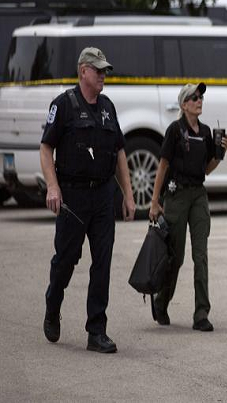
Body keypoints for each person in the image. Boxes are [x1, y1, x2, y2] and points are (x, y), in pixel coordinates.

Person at [40, 47, 136, 353]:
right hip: (73, 197)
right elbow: (46, 149)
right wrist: (52, 187)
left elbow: (120, 151)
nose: (103, 75)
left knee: (102, 263)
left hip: (103, 196)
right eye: (98, 70)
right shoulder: (64, 105)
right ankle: (53, 303)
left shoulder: (108, 107)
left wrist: (128, 195)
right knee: (66, 260)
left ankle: (97, 330)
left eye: (105, 70)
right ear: (83, 71)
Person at [148, 82, 227, 332]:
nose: (199, 100)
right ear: (184, 105)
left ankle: (201, 313)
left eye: (201, 96)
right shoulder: (175, 130)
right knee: (176, 256)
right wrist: (154, 201)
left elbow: (205, 169)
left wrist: (219, 154)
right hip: (176, 195)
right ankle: (161, 302)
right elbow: (163, 165)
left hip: (198, 194)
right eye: (194, 97)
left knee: (200, 255)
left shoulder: (204, 132)